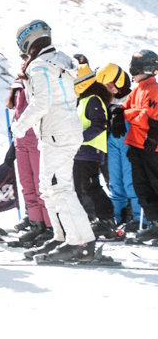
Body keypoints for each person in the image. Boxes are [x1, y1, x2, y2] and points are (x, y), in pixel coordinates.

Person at [11, 20, 100, 263]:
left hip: (57, 133)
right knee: (48, 189)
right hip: (57, 132)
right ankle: (62, 236)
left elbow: (42, 102)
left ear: (27, 42)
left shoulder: (40, 66)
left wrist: (19, 126)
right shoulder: (58, 60)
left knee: (59, 188)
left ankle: (80, 242)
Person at [72, 65, 119, 238]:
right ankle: (90, 219)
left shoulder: (93, 99)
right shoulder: (84, 100)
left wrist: (80, 138)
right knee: (81, 187)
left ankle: (107, 220)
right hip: (80, 152)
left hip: (90, 152)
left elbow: (100, 124)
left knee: (92, 187)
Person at [7, 77, 52, 247]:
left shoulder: (39, 80)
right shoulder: (19, 85)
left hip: (36, 139)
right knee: (27, 185)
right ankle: (36, 224)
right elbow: (17, 114)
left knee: (40, 185)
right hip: (21, 141)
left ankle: (50, 226)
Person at [98, 64, 140, 227]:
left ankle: (137, 218)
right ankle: (119, 217)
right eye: (106, 86)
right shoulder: (106, 101)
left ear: (119, 80)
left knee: (131, 182)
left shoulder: (134, 96)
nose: (110, 88)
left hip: (130, 143)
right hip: (112, 143)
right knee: (115, 183)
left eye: (111, 84)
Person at [123, 49, 158, 242]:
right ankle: (155, 223)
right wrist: (120, 114)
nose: (132, 71)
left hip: (152, 146)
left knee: (155, 184)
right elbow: (127, 109)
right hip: (137, 145)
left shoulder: (153, 89)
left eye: (135, 67)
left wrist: (128, 115)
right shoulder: (137, 90)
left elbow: (145, 117)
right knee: (142, 187)